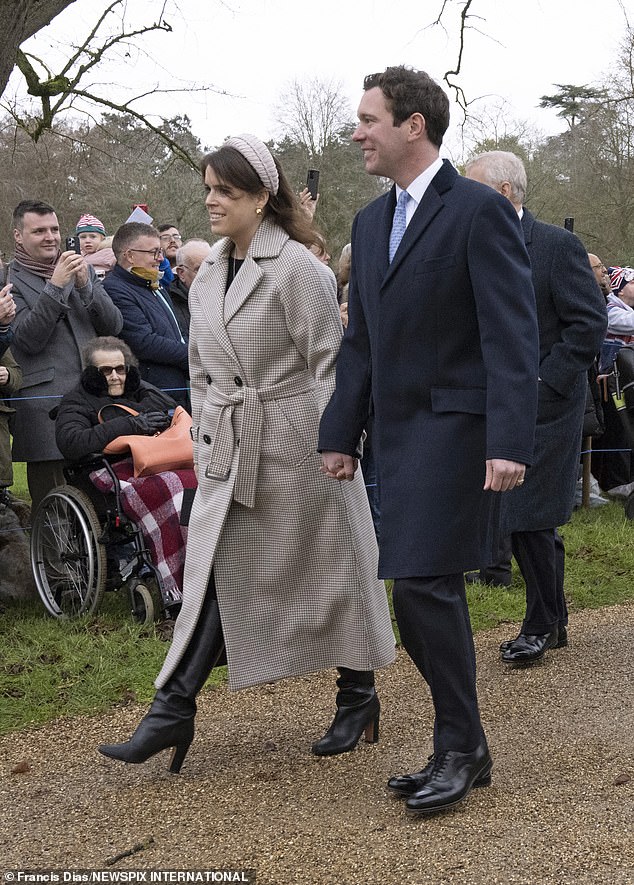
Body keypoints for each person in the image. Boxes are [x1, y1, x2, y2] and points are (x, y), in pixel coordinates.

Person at [98, 133, 395, 774]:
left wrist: (332, 443)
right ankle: (174, 708)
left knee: (331, 570)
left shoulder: (298, 269)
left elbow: (328, 365)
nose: (210, 200)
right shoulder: (204, 282)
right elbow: (202, 372)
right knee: (216, 571)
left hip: (302, 446)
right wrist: (206, 438)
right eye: (207, 188)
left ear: (262, 198)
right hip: (230, 448)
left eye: (224, 191)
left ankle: (358, 691)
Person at [318, 66, 539, 817]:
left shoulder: (478, 210)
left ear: (414, 124)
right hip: (396, 437)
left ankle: (460, 746)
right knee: (417, 591)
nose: (357, 133)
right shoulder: (369, 224)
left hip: (460, 429)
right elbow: (362, 343)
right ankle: (465, 744)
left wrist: (510, 438)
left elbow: (513, 335)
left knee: (420, 584)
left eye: (368, 119)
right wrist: (340, 430)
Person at [465, 151, 606, 664]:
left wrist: (546, 379)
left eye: (473, 188)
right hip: (496, 403)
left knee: (528, 516)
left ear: (504, 192)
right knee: (526, 517)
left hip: (547, 404)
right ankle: (556, 620)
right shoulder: (476, 247)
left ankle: (540, 624)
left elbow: (587, 323)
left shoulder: (555, 245)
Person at [7, 199, 123, 511]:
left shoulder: (82, 269)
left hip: (92, 403)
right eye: (39, 231)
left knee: (101, 502)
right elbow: (27, 339)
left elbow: (114, 325)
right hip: (44, 410)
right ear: (18, 236)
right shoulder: (9, 279)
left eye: (55, 229)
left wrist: (86, 288)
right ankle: (50, 562)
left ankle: (98, 562)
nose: (50, 237)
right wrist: (56, 287)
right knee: (54, 510)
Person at [103, 222, 190, 410]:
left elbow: (177, 330)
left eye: (160, 252)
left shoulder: (152, 284)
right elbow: (143, 341)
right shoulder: (115, 289)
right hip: (153, 396)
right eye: (154, 252)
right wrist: (192, 355)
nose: (160, 258)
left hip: (177, 390)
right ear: (130, 256)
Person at [54, 335, 175, 461]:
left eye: (120, 369)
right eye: (106, 370)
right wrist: (130, 425)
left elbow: (173, 408)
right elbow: (72, 443)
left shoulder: (135, 386)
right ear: (91, 373)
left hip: (155, 461)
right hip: (107, 469)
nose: (115, 376)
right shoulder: (75, 400)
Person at [169, 239, 212, 336]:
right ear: (181, 273)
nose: (209, 273)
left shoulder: (226, 297)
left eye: (212, 266)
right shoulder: (169, 305)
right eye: (200, 269)